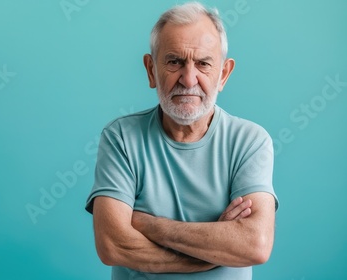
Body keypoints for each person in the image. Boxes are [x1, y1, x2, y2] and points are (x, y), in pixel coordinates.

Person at [85, 2, 279, 279]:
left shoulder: (250, 141)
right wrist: (211, 256)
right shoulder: (121, 138)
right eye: (174, 61)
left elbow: (254, 245)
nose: (189, 80)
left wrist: (152, 226)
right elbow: (113, 245)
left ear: (223, 74)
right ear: (151, 70)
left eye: (203, 64)